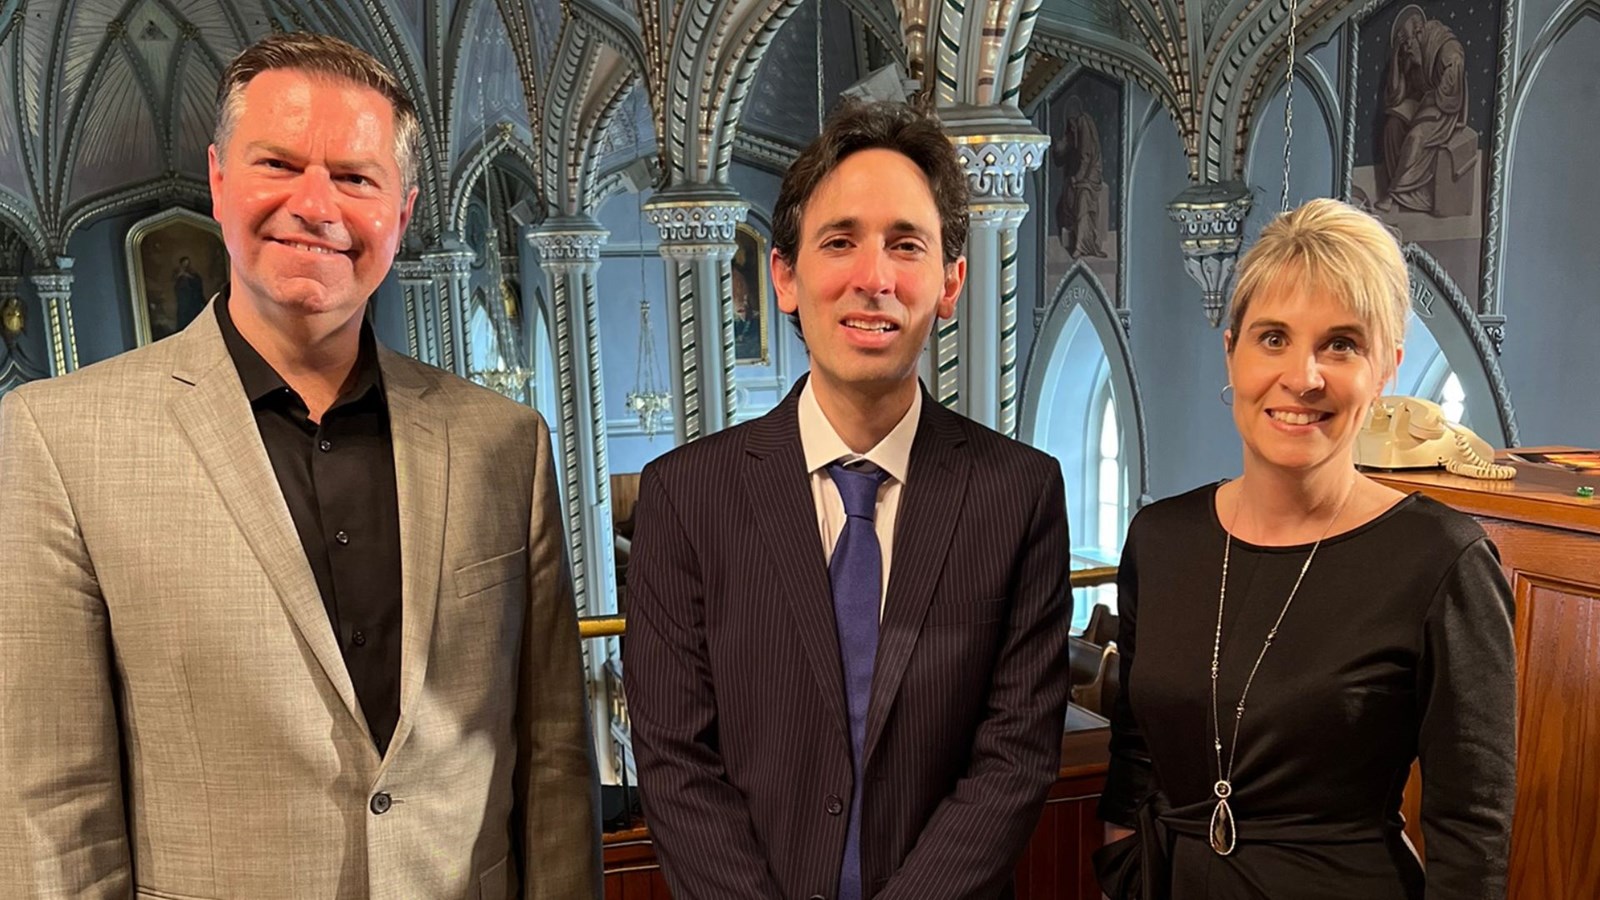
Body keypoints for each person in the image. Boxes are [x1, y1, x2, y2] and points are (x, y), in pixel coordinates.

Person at [0, 32, 600, 899]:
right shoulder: (62, 439)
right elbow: (50, 800)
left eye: (356, 178)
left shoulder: (503, 442)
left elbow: (551, 758)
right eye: (278, 164)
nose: (316, 206)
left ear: (402, 211)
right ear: (217, 181)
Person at [623, 100, 1073, 900]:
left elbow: (1013, 758)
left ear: (950, 282)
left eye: (907, 245)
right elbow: (675, 761)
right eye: (840, 242)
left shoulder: (1018, 494)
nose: (874, 278)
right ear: (786, 276)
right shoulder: (686, 497)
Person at [1096, 198, 1516, 900]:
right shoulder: (1161, 539)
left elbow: (1471, 832)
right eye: (1273, 338)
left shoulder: (1444, 562)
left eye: (1342, 344)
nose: (1304, 376)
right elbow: (1136, 750)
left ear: (1387, 368)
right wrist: (1118, 866)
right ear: (1230, 349)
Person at [1378, 5, 1470, 215]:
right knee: (1392, 127)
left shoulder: (1441, 43)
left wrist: (1435, 96)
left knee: (1415, 137)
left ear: (1419, 33)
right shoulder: (1410, 54)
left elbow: (1455, 64)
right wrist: (1395, 58)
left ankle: (1394, 194)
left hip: (1443, 109)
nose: (1407, 49)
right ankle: (1407, 194)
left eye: (1409, 43)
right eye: (1404, 46)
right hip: (1421, 107)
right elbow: (1395, 95)